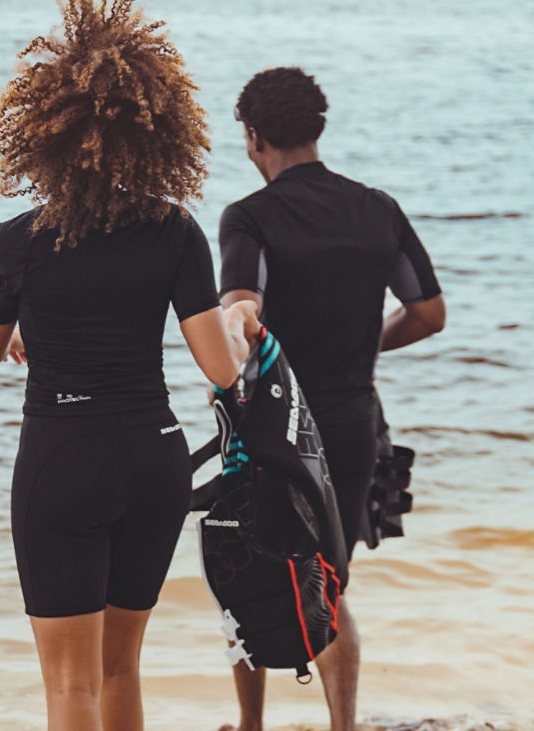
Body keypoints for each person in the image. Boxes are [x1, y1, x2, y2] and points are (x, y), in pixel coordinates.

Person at [0, 0, 260, 731]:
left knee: (68, 685)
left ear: (43, 133)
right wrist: (240, 319)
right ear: (153, 131)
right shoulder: (175, 229)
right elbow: (219, 368)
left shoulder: (17, 242)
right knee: (120, 669)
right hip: (153, 459)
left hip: (63, 456)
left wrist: (29, 329)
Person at [217, 67, 446, 731]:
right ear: (317, 128)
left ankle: (252, 727)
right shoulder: (379, 209)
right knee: (330, 579)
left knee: (247, 573)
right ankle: (343, 726)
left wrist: (242, 332)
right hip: (349, 423)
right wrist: (363, 347)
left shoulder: (249, 217)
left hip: (272, 426)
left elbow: (241, 305)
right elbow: (429, 313)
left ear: (253, 137)